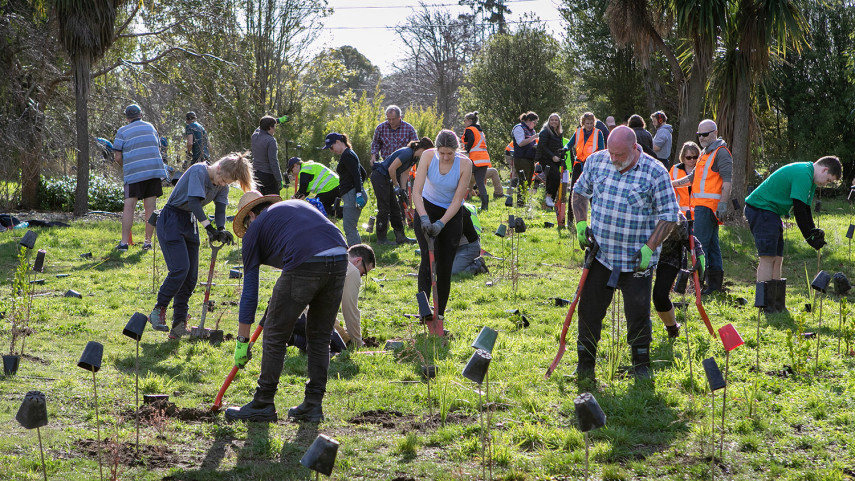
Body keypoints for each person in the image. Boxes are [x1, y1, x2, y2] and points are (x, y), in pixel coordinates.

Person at [224, 193, 349, 423]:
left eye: (246, 225)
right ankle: (313, 405)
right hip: (341, 254)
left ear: (251, 215)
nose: (247, 231)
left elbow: (250, 291)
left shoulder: (255, 229)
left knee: (274, 334)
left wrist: (242, 343)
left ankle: (263, 402)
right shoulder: (292, 210)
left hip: (307, 260)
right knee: (320, 336)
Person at [571, 126, 680, 381]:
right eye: (611, 153)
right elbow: (579, 191)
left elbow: (669, 216)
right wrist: (580, 223)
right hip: (601, 255)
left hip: (636, 261)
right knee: (589, 311)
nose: (614, 159)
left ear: (634, 148)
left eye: (619, 154)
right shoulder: (597, 161)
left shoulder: (655, 172)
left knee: (638, 314)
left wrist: (649, 248)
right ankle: (585, 365)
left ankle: (641, 366)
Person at [149, 153, 255, 338]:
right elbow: (193, 202)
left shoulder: (222, 185)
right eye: (222, 179)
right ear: (219, 167)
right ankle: (158, 310)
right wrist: (209, 228)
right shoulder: (199, 171)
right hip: (171, 219)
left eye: (227, 182)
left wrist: (220, 229)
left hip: (189, 221)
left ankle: (178, 324)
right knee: (180, 269)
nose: (222, 183)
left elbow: (220, 208)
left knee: (190, 277)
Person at [744, 156, 841, 313]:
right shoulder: (804, 174)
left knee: (778, 258)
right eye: (828, 180)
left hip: (772, 212)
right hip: (760, 209)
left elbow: (806, 210)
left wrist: (813, 232)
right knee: (768, 258)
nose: (825, 184)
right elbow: (799, 210)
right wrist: (809, 238)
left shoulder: (811, 179)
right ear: (825, 170)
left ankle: (777, 303)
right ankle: (765, 305)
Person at [413, 130, 472, 324]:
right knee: (427, 262)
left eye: (450, 154)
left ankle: (439, 314)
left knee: (444, 266)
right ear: (436, 149)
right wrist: (423, 218)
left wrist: (441, 223)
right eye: (442, 153)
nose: (446, 157)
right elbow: (417, 192)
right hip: (426, 208)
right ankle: (424, 311)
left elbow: (457, 200)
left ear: (457, 151)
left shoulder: (465, 164)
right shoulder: (428, 156)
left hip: (451, 215)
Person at [672, 119, 733, 294]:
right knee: (712, 246)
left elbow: (727, 181)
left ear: (715, 132)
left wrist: (723, 204)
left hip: (709, 207)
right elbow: (692, 178)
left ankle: (698, 285)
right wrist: (672, 184)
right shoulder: (705, 153)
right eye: (699, 135)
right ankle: (712, 286)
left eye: (705, 134)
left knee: (699, 246)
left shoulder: (721, 153)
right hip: (702, 206)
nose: (701, 138)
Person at [113, 104, 168, 252]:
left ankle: (124, 243)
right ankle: (147, 243)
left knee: (129, 207)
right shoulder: (150, 127)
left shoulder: (122, 131)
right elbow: (157, 148)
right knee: (150, 208)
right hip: (153, 171)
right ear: (141, 115)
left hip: (134, 174)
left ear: (126, 117)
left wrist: (128, 165)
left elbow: (117, 156)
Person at [370, 137, 434, 245]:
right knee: (384, 208)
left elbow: (404, 174)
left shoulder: (414, 158)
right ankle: (381, 239)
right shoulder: (407, 152)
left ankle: (400, 237)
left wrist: (402, 190)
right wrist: (396, 185)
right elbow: (391, 169)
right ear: (423, 149)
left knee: (395, 208)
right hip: (379, 176)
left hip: (387, 179)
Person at [652, 214, 704, 338]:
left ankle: (672, 329)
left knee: (659, 296)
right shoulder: (637, 214)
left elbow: (690, 240)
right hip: (643, 255)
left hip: (669, 258)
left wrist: (699, 255)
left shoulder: (677, 219)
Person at [324, 132, 366, 246]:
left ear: (338, 142)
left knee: (349, 227)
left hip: (353, 195)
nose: (332, 151)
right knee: (351, 227)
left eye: (331, 147)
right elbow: (363, 173)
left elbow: (357, 175)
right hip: (352, 194)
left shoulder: (347, 155)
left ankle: (355, 256)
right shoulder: (350, 153)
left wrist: (358, 193)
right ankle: (358, 252)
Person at [337, 244, 376, 348]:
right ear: (358, 261)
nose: (360, 277)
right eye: (363, 273)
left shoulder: (334, 257)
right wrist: (357, 344)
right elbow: (350, 311)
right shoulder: (352, 271)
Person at [564, 112, 605, 185]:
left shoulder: (598, 133)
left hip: (591, 164)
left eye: (591, 123)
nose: (589, 125)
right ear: (583, 123)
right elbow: (569, 144)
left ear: (594, 123)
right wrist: (564, 148)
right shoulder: (578, 131)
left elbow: (601, 150)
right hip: (579, 163)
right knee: (574, 185)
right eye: (587, 123)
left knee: (589, 186)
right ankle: (572, 196)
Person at [462, 111, 492, 211]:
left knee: (460, 176)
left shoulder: (470, 129)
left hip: (475, 159)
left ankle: (460, 200)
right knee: (480, 182)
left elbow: (470, 141)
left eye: (465, 120)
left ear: (470, 121)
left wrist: (467, 150)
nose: (464, 123)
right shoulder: (480, 131)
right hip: (484, 159)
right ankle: (485, 206)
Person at [451, 203, 488, 276]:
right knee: (438, 270)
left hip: (468, 247)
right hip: (454, 247)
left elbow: (453, 238)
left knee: (453, 272)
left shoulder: (460, 211)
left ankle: (478, 264)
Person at [536, 113, 565, 208]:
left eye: (556, 120)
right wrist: (552, 156)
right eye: (552, 120)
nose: (554, 121)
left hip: (556, 159)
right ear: (549, 121)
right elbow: (543, 146)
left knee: (552, 179)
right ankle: (549, 197)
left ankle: (549, 202)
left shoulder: (559, 132)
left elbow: (559, 145)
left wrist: (561, 155)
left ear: (559, 122)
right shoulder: (545, 132)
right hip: (546, 159)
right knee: (556, 176)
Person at [251, 115, 282, 196]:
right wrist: (279, 179)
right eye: (274, 127)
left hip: (256, 174)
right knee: (273, 201)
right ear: (269, 128)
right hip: (268, 176)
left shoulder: (254, 136)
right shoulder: (271, 140)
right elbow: (273, 161)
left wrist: (276, 120)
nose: (275, 129)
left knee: (259, 200)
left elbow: (260, 126)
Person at [670, 142, 701, 222]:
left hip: (698, 213)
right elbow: (670, 191)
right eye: (689, 157)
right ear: (683, 157)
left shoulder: (701, 170)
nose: (692, 160)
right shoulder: (675, 169)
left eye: (695, 157)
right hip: (680, 213)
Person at [512, 111, 539, 189]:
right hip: (521, 158)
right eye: (534, 122)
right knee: (523, 182)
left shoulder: (532, 131)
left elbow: (531, 143)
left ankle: (525, 200)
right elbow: (520, 143)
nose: (535, 125)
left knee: (528, 182)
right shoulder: (519, 128)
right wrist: (534, 137)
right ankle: (520, 200)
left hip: (530, 158)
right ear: (529, 120)